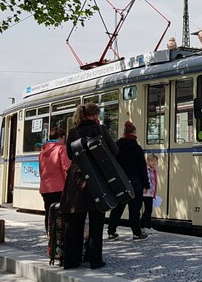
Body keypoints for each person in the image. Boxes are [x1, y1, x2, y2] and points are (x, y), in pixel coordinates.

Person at [59, 103, 119, 270]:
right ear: (95, 116)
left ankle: (71, 260)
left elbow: (71, 155)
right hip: (96, 181)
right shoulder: (100, 130)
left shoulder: (73, 132)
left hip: (77, 180)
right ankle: (95, 260)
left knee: (74, 222)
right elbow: (115, 151)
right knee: (96, 222)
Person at [107, 121, 150, 241]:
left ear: (124, 132)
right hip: (135, 182)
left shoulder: (117, 146)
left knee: (118, 208)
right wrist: (146, 183)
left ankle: (111, 231)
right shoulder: (137, 148)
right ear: (134, 133)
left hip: (120, 182)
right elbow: (142, 168)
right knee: (134, 209)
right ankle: (137, 233)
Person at [39, 127, 70, 234]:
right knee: (61, 214)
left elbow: (41, 170)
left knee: (49, 212)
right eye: (63, 138)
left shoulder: (42, 151)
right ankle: (59, 238)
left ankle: (50, 236)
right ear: (60, 137)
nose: (64, 141)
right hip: (59, 187)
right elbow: (66, 168)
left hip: (45, 188)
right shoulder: (61, 149)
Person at [141, 154, 159, 234]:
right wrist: (146, 188)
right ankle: (147, 226)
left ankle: (142, 226)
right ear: (147, 161)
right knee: (148, 210)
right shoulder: (147, 170)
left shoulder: (153, 170)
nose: (154, 163)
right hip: (147, 192)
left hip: (150, 193)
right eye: (152, 161)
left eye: (155, 161)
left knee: (147, 210)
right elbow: (147, 180)